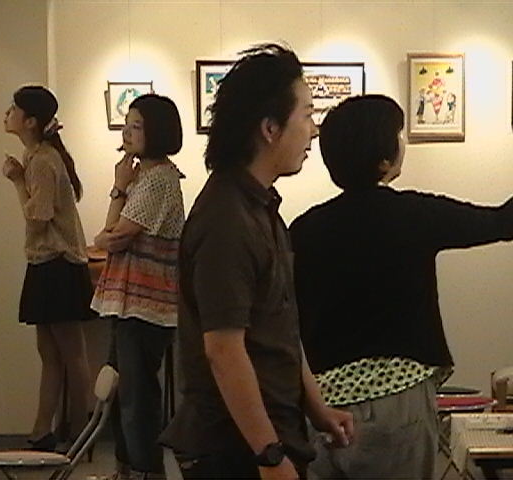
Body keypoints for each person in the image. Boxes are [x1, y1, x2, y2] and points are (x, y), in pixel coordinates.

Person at [289, 94, 513, 479]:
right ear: (383, 158)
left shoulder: (303, 229)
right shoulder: (413, 214)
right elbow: (500, 222)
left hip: (323, 407)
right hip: (397, 403)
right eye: (398, 133)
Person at [160, 43, 354, 480]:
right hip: (236, 449)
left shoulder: (259, 207)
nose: (313, 130)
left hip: (269, 434)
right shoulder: (227, 219)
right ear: (269, 128)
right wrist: (268, 455)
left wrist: (317, 408)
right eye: (307, 115)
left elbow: (279, 328)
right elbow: (224, 350)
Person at [91, 93, 185, 480]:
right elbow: (109, 235)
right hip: (129, 303)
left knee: (137, 395)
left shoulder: (159, 178)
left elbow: (111, 237)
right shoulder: (143, 176)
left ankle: (146, 470)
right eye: (126, 124)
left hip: (147, 306)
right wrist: (121, 188)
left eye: (137, 126)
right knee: (119, 390)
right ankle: (126, 468)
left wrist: (117, 189)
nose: (127, 133)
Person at [3, 85, 94, 452]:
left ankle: (82, 430)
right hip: (47, 263)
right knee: (51, 352)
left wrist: (16, 181)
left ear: (30, 121)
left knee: (70, 352)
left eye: (14, 109)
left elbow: (37, 217)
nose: (7, 114)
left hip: (58, 264)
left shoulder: (42, 160)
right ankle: (44, 429)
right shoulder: (38, 156)